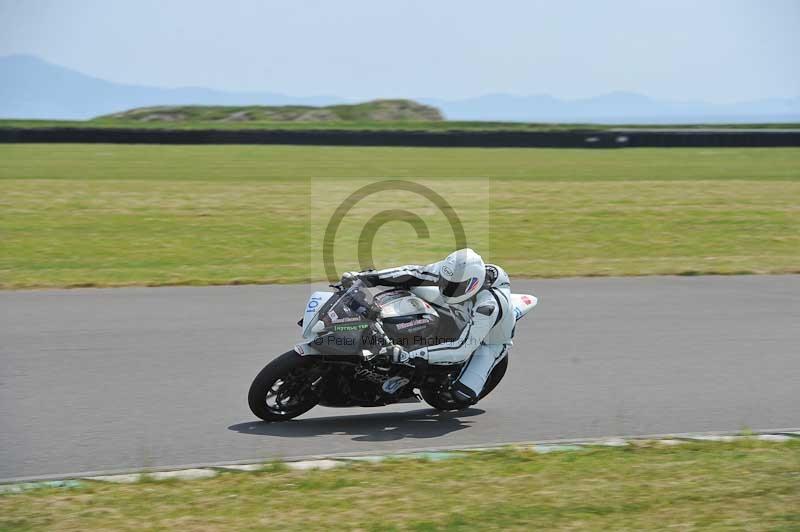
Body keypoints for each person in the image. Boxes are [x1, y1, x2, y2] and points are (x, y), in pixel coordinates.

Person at [341, 248, 514, 406]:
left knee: (462, 395)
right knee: (411, 284)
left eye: (453, 286)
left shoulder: (488, 306)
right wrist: (365, 277)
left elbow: (462, 349)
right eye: (444, 282)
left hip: (487, 340)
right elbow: (413, 272)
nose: (446, 287)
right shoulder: (453, 273)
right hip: (461, 308)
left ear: (472, 284)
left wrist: (411, 355)